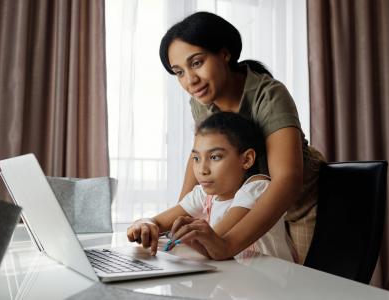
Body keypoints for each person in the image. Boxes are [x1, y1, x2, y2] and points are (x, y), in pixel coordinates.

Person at [157, 11, 324, 264]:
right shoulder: (200, 101)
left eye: (197, 63)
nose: (190, 80)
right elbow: (199, 156)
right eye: (179, 72)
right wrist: (182, 220)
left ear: (225, 54)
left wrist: (227, 244)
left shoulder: (269, 95)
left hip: (299, 204)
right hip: (249, 201)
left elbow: (287, 179)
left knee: (305, 284)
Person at [127, 112, 295, 262]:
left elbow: (215, 242)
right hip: (233, 280)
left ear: (247, 159)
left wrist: (181, 233)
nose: (202, 170)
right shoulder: (204, 195)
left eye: (214, 157)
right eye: (196, 158)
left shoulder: (257, 188)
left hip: (270, 283)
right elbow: (158, 221)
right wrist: (144, 224)